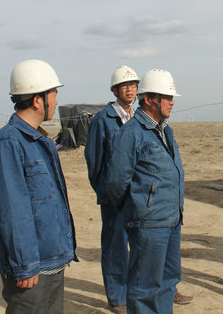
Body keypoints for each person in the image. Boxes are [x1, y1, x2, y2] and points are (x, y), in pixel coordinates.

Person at [0, 59, 77, 313]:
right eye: (53, 94)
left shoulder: (39, 141)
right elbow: (13, 210)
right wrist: (25, 264)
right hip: (32, 270)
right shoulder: (8, 144)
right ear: (38, 100)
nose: (56, 102)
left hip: (52, 261)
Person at [105, 69, 185, 314]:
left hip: (172, 220)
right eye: (167, 97)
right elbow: (116, 182)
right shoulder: (130, 134)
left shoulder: (165, 131)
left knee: (168, 281)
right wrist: (137, 209)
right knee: (144, 287)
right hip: (148, 224)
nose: (172, 102)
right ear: (150, 99)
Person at [85, 65, 140, 313]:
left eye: (133, 85)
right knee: (115, 246)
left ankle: (136, 291)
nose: (130, 89)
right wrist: (106, 190)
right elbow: (94, 160)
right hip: (114, 196)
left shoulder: (137, 118)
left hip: (136, 194)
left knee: (139, 245)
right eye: (124, 86)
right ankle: (117, 297)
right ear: (115, 90)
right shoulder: (103, 119)